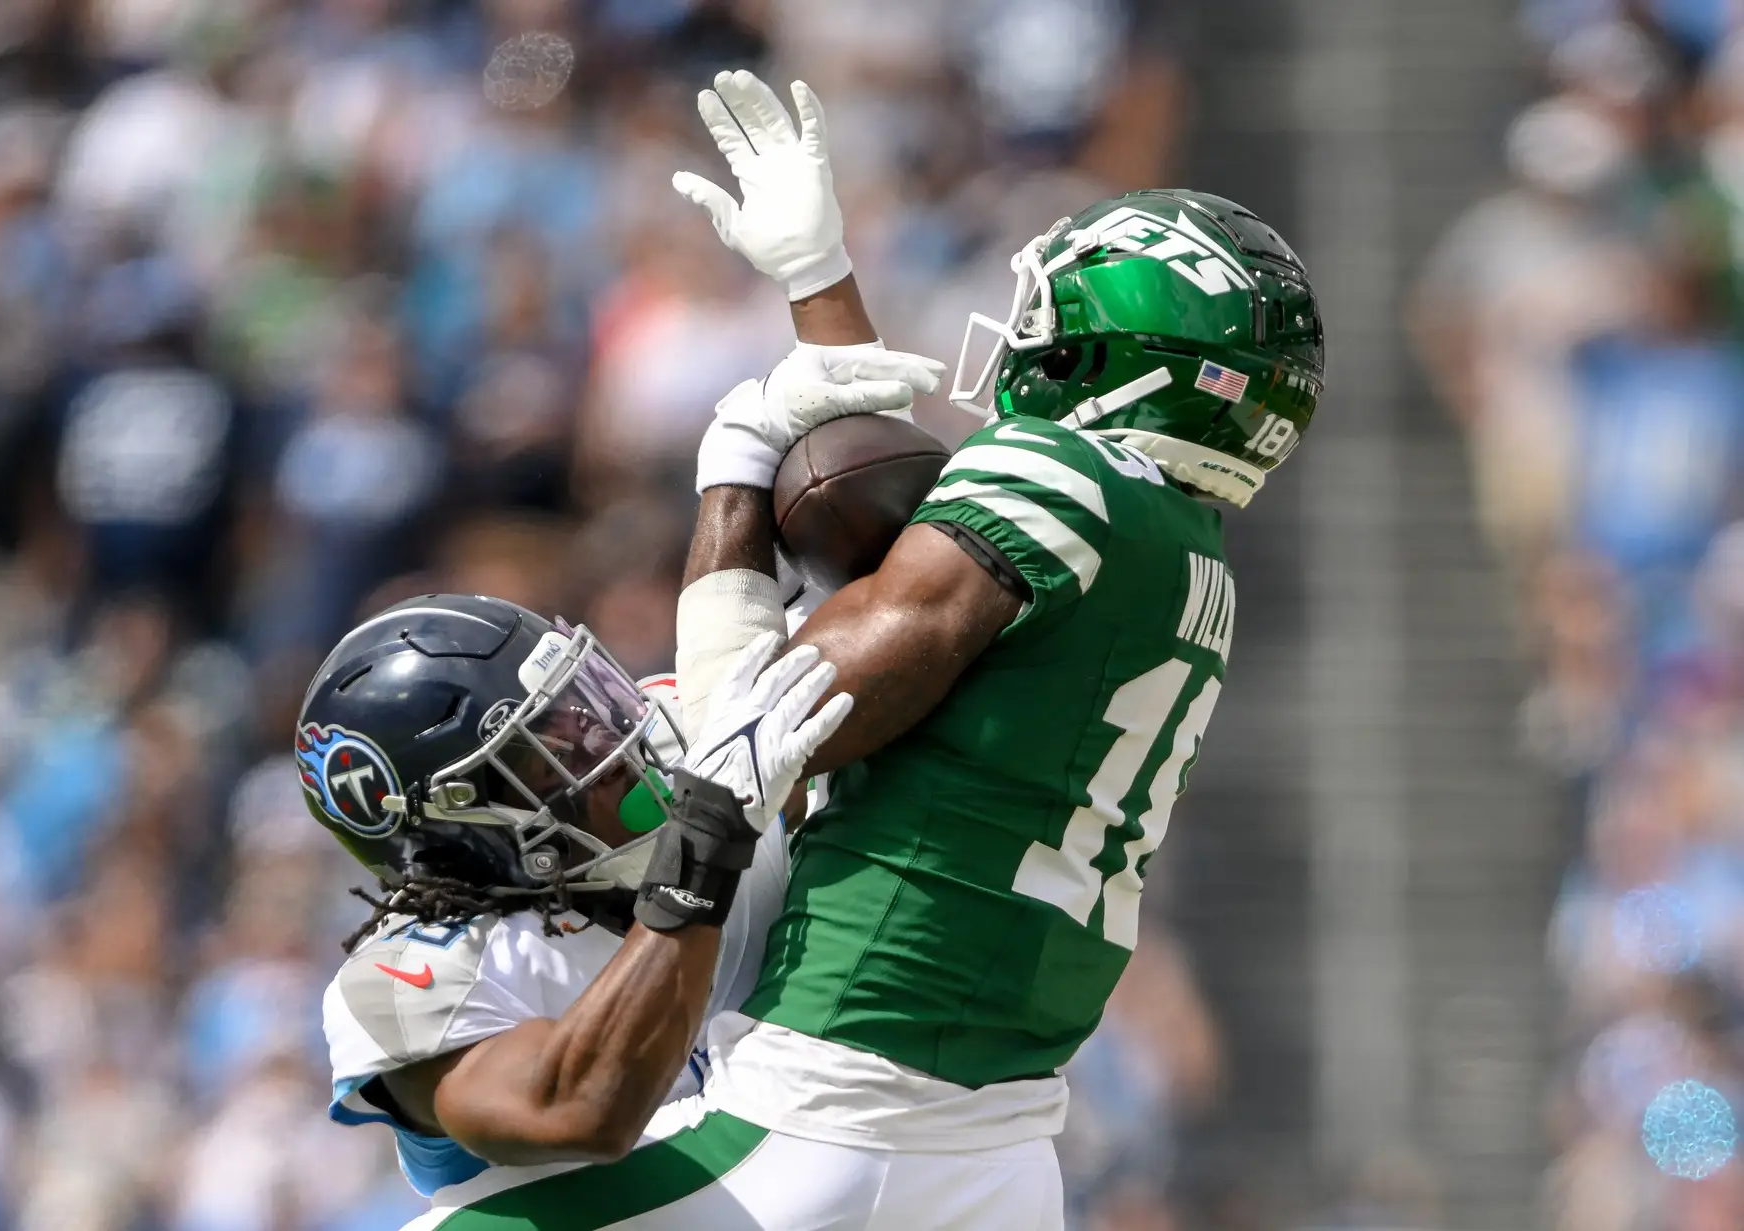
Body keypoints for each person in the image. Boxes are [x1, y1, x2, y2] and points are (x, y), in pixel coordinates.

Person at [536, 72, 1321, 1228]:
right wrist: (818, 283)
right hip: (997, 1139)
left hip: (833, 1097)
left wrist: (732, 466)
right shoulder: (1177, 550)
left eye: (1059, 314)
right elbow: (893, 548)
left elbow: (755, 725)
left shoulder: (1063, 482)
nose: (1030, 334)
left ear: (1131, 352)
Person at [296, 593, 857, 1214]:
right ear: (458, 829)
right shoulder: (409, 978)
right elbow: (580, 1108)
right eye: (548, 751)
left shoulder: (687, 751)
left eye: (581, 700)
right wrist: (702, 850)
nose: (607, 736)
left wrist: (734, 493)